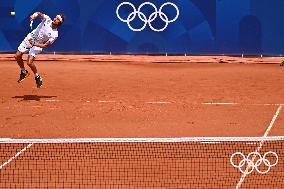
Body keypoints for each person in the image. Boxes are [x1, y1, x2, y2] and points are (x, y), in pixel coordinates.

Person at [15, 12, 65, 88]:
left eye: (58, 19)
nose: (55, 19)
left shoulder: (55, 34)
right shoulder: (47, 19)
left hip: (38, 44)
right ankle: (23, 72)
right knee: (17, 56)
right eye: (56, 17)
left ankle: (37, 76)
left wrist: (34, 44)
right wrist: (34, 16)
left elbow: (45, 45)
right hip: (30, 37)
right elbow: (39, 13)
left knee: (29, 62)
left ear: (60, 23)